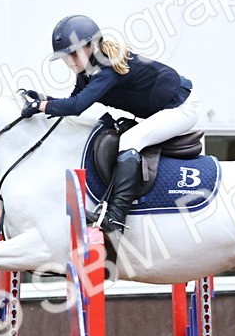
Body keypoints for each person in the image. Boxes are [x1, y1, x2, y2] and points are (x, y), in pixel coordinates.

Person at [22, 14, 199, 233]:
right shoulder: (87, 71)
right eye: (65, 56)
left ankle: (116, 216)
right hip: (164, 108)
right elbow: (73, 100)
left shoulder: (107, 69)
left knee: (130, 140)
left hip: (181, 108)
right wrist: (44, 100)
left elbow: (77, 106)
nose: (69, 61)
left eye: (73, 53)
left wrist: (40, 106)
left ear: (93, 45)